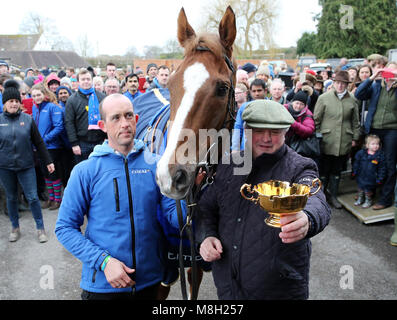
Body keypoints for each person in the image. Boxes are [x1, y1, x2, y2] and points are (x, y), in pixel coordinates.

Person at [196, 100, 331, 300]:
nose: (267, 138)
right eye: (259, 130)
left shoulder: (300, 167)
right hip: (228, 286)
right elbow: (206, 209)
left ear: (286, 132)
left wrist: (308, 219)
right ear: (247, 129)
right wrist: (207, 236)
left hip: (279, 290)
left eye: (275, 132)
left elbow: (317, 201)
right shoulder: (229, 165)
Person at [55, 93, 185, 300]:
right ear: (102, 125)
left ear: (137, 119)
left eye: (128, 116)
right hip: (103, 286)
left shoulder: (157, 165)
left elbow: (176, 218)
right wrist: (104, 261)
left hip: (149, 283)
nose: (124, 123)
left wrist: (187, 192)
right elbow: (64, 228)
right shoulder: (85, 171)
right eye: (116, 117)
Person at [0, 79, 54, 242]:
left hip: (26, 166)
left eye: (17, 101)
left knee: (32, 197)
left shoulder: (28, 120)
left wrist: (48, 161)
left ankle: (40, 228)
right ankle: (15, 227)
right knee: (11, 197)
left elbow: (38, 142)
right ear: (5, 103)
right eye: (11, 101)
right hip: (5, 167)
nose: (14, 104)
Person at [314, 70, 360, 209]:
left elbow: (355, 121)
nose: (340, 86)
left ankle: (333, 195)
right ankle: (320, 197)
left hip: (343, 141)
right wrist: (317, 136)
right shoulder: (324, 98)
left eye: (343, 83)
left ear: (347, 85)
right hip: (327, 140)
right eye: (338, 83)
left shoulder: (352, 99)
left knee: (337, 171)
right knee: (324, 170)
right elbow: (316, 119)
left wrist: (355, 138)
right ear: (334, 83)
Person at [355, 61, 397, 210]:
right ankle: (367, 192)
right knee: (369, 161)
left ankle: (385, 199)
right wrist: (372, 77)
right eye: (388, 71)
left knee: (389, 164)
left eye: (393, 72)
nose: (389, 75)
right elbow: (358, 94)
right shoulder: (376, 85)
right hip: (374, 129)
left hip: (392, 130)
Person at [31, 83, 64, 210]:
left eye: (38, 95)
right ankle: (50, 198)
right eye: (34, 96)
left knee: (53, 173)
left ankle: (57, 199)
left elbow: (59, 127)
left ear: (44, 94)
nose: (36, 98)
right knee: (45, 173)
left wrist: (44, 140)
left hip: (51, 147)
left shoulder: (53, 107)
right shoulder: (35, 108)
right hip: (39, 147)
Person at [64, 68, 106, 164]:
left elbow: (106, 118)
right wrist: (74, 143)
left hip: (100, 141)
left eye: (88, 79)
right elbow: (69, 123)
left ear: (92, 80)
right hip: (82, 143)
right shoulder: (72, 100)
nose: (86, 81)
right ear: (78, 82)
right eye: (83, 79)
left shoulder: (101, 97)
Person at [231, 79, 267, 152]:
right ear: (250, 92)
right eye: (254, 91)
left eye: (259, 90)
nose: (256, 94)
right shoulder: (244, 107)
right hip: (246, 149)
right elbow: (238, 128)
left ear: (265, 91)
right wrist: (235, 149)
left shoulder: (272, 106)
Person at [352, 134, 386, 208]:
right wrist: (354, 171)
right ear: (367, 145)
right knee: (360, 189)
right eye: (373, 144)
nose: (375, 146)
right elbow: (356, 163)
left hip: (371, 178)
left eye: (377, 144)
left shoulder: (379, 156)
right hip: (361, 176)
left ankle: (368, 201)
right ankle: (360, 199)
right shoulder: (361, 153)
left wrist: (380, 178)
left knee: (368, 191)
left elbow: (382, 169)